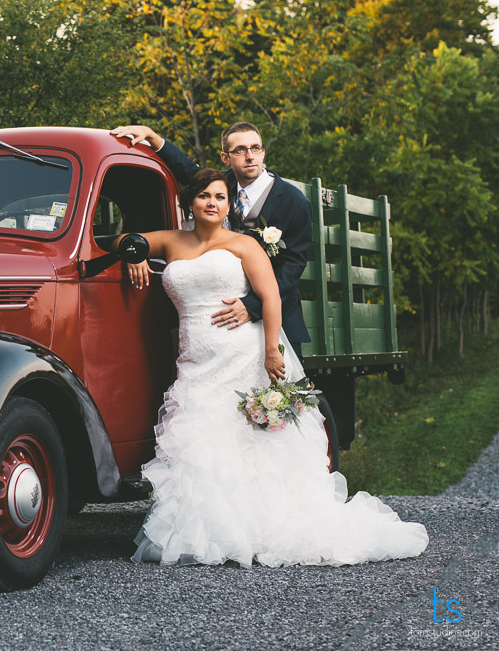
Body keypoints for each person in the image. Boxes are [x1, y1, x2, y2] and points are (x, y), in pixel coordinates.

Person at [115, 168, 428, 567]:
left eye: (220, 197)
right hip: (195, 358)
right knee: (201, 435)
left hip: (241, 353)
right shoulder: (172, 241)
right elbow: (125, 240)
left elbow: (271, 297)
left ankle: (258, 526)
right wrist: (136, 255)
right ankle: (209, 528)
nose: (212, 203)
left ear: (229, 204)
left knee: (248, 440)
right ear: (189, 202)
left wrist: (271, 352)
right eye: (204, 196)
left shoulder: (243, 244)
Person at [111, 123, 311, 359]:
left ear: (263, 152)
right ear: (226, 158)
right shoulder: (219, 186)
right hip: (214, 327)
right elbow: (186, 169)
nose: (250, 156)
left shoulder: (294, 201)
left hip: (276, 322)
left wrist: (252, 306)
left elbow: (292, 268)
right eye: (240, 150)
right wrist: (153, 137)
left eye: (255, 148)